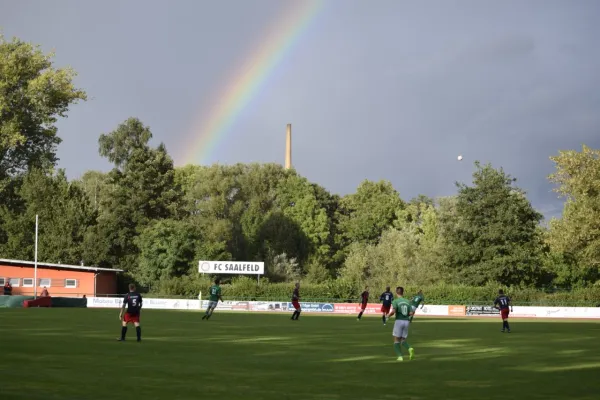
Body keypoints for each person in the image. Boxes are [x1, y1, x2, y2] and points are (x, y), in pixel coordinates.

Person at [386, 286, 415, 362]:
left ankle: (400, 357)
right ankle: (409, 348)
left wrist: (388, 316)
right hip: (406, 321)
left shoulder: (395, 301)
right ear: (403, 292)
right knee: (403, 340)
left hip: (399, 321)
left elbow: (393, 311)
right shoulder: (408, 301)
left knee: (396, 340)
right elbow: (411, 313)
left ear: (396, 292)